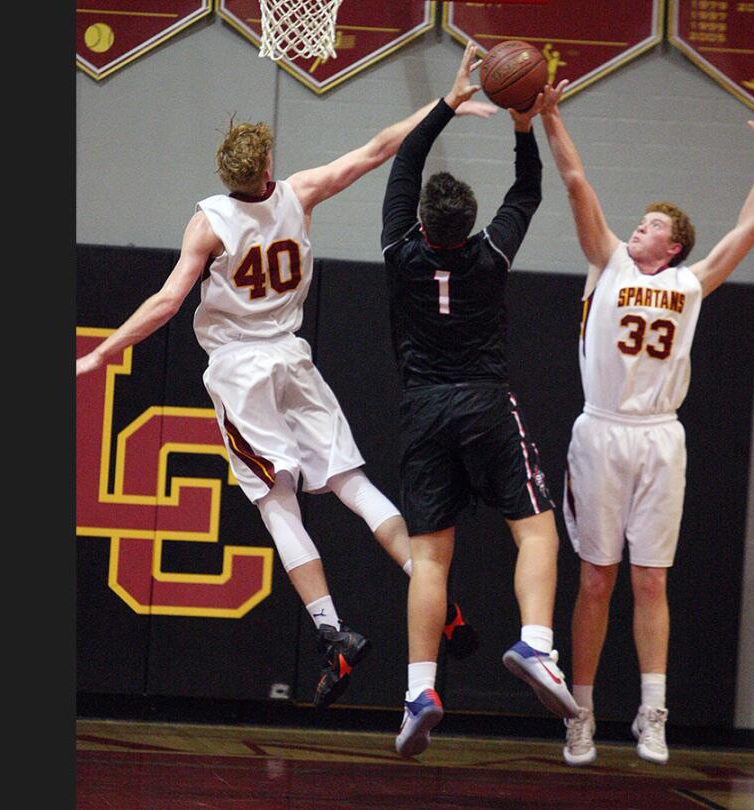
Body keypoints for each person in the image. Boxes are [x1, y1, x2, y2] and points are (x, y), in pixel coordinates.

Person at [74, 50, 496, 710]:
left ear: (226, 174)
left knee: (278, 504)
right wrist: (444, 105)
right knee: (354, 484)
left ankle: (331, 632)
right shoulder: (300, 192)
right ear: (266, 168)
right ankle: (428, 584)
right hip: (293, 358)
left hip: (240, 373)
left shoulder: (209, 221)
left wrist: (103, 354)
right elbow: (381, 147)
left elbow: (165, 303)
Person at [537, 84, 754, 765]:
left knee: (652, 581)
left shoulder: (690, 284)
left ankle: (652, 711)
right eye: (639, 222)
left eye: (651, 226)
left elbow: (751, 228)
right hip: (601, 432)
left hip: (659, 437)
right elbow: (577, 180)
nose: (638, 228)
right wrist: (553, 117)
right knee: (596, 580)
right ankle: (580, 713)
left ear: (672, 248)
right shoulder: (608, 261)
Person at [380, 45, 579, 758]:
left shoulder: (399, 250)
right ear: (467, 225)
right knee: (535, 531)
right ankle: (534, 645)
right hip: (484, 403)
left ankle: (420, 690)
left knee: (430, 559)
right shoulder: (490, 256)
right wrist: (523, 125)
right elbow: (526, 195)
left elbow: (405, 162)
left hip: (424, 409)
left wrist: (449, 101)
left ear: (425, 222)